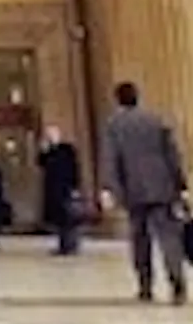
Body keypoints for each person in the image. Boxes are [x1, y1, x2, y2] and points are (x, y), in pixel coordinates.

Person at [100, 81, 188, 304]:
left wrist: (111, 188)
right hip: (162, 187)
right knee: (169, 238)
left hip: (133, 190)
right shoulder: (156, 120)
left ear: (117, 100)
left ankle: (145, 285)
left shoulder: (114, 125)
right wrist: (181, 185)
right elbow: (173, 154)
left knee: (139, 239)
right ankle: (177, 283)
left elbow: (111, 159)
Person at [38, 125, 83, 256]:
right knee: (59, 219)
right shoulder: (48, 152)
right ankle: (64, 245)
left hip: (66, 188)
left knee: (70, 217)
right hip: (53, 190)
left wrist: (75, 187)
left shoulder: (67, 149)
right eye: (48, 135)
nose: (50, 137)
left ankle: (72, 244)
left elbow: (74, 168)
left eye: (52, 135)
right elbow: (41, 164)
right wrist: (44, 150)